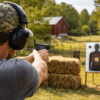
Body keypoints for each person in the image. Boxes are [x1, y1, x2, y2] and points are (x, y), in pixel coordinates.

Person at [0, 1, 49, 100]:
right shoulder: (19, 72)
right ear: (16, 39)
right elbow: (41, 70)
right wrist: (38, 56)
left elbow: (5, 65)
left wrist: (29, 58)